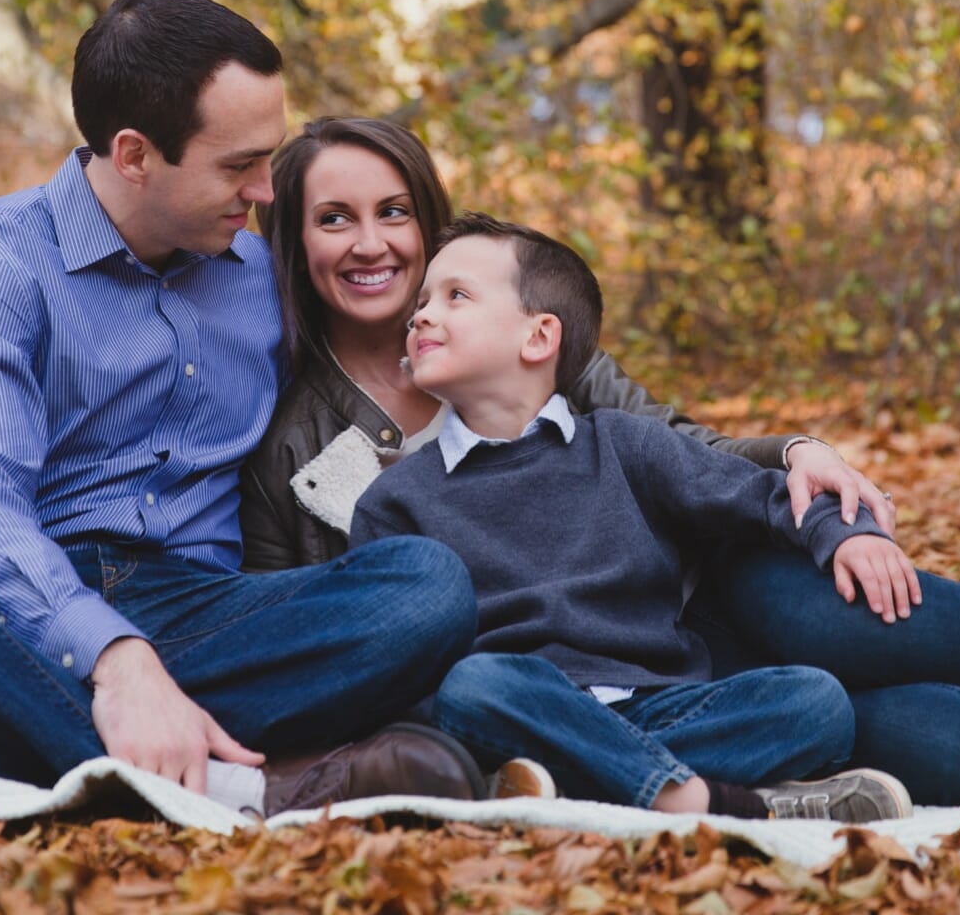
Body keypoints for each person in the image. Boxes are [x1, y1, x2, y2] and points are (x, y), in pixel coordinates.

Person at [0, 0, 494, 813]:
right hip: (16, 612)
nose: (264, 191)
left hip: (208, 616)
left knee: (426, 586)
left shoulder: (262, 280)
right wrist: (115, 657)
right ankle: (230, 786)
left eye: (267, 158)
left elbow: (407, 320)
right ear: (136, 153)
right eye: (237, 164)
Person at [241, 118, 960, 804]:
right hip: (525, 691)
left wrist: (808, 471)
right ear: (295, 243)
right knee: (919, 732)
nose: (372, 242)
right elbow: (331, 645)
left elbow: (707, 465)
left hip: (681, 640)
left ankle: (619, 776)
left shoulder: (580, 392)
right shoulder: (327, 464)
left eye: (395, 211)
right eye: (334, 217)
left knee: (816, 688)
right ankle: (692, 791)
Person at [350, 215, 921, 821]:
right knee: (473, 687)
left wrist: (847, 533)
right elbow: (390, 659)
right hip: (525, 704)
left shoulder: (625, 445)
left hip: (658, 705)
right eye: (420, 303)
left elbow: (760, 494)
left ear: (539, 337)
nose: (420, 316)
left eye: (454, 296)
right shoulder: (396, 498)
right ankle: (700, 798)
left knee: (817, 703)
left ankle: (579, 782)